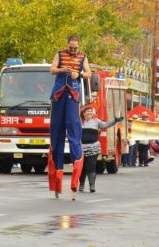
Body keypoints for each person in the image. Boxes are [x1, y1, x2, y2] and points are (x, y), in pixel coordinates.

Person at [47, 34, 91, 198]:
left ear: (78, 46)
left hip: (73, 95)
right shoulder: (59, 54)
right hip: (58, 95)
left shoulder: (82, 57)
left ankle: (75, 178)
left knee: (74, 133)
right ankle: (57, 178)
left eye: (75, 48)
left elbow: (88, 73)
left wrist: (77, 75)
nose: (73, 50)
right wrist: (62, 70)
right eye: (71, 47)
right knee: (56, 134)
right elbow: (51, 69)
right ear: (67, 45)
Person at [77, 104, 124, 193]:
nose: (90, 113)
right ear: (83, 113)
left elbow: (106, 125)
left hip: (93, 147)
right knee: (82, 167)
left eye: (91, 111)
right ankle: (81, 185)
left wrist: (115, 121)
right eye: (88, 111)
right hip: (81, 148)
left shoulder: (96, 121)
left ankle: (92, 186)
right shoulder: (79, 121)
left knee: (91, 166)